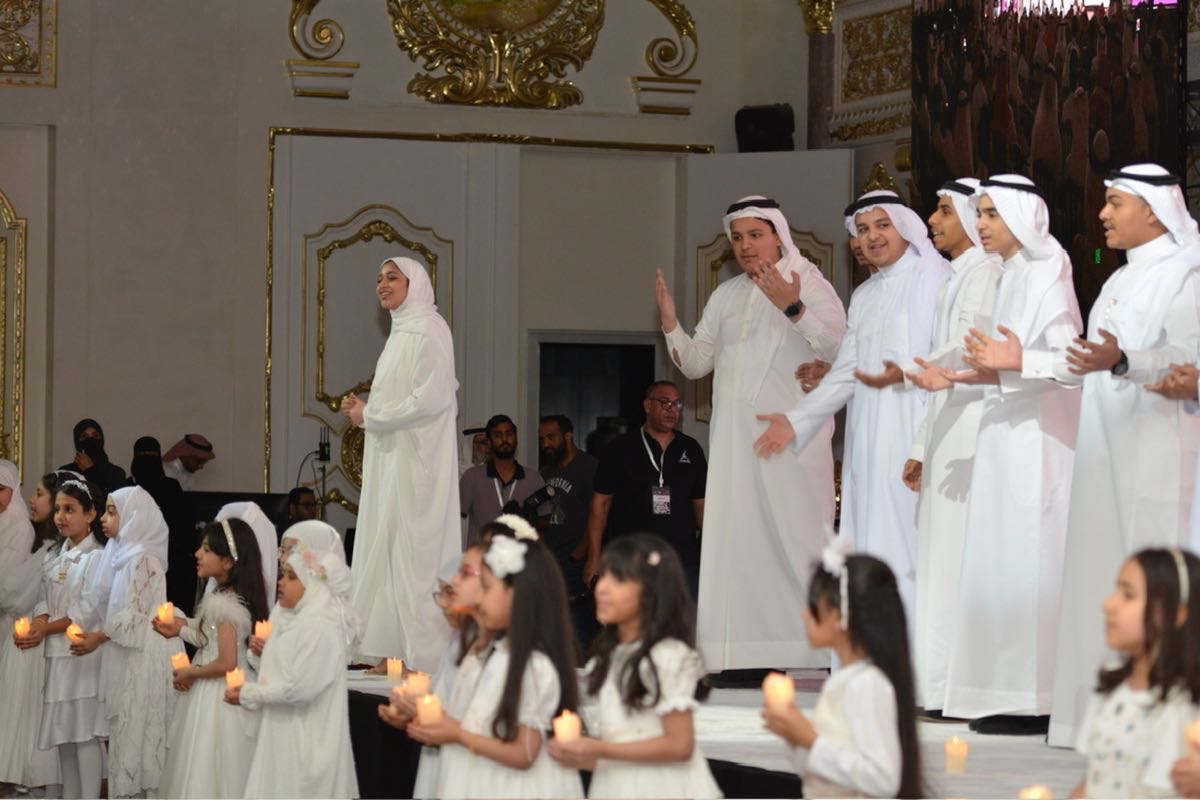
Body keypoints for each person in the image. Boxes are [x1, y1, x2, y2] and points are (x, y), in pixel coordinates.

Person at [658, 195, 847, 676]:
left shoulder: (808, 281)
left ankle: (817, 651)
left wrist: (793, 306)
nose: (745, 245)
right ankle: (741, 654)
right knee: (739, 540)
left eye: (756, 235)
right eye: (738, 237)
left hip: (792, 440)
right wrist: (670, 324)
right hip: (734, 442)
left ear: (778, 236)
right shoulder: (726, 295)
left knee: (799, 538)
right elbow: (695, 364)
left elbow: (841, 349)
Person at [1047, 165, 1200, 746]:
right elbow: (1086, 361)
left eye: (1114, 203)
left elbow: (1185, 358)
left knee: (1150, 577)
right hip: (1104, 446)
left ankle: (1156, 726)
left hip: (1156, 449)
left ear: (1154, 212)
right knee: (1101, 574)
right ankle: (1095, 720)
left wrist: (1125, 362)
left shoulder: (1187, 272)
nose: (1102, 214)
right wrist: (1014, 363)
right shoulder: (1117, 278)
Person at [755, 190, 950, 627]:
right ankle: (874, 650)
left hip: (916, 436)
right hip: (867, 438)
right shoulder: (864, 295)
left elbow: (947, 367)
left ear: (904, 226)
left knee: (911, 544)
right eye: (862, 229)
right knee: (867, 543)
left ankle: (916, 655)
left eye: (882, 225)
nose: (872, 236)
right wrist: (797, 420)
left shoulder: (937, 280)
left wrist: (925, 445)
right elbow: (848, 372)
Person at [941, 175, 1083, 733]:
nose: (980, 225)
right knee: (998, 565)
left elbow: (1073, 366)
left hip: (1039, 444)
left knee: (1031, 566)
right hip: (1002, 435)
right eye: (979, 214)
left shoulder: (1049, 276)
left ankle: (1036, 699)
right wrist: (959, 376)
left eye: (992, 214)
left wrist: (1015, 361)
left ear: (1023, 218)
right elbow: (1005, 365)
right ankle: (1000, 694)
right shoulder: (1010, 276)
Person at [903, 178, 1004, 713]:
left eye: (943, 210)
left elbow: (968, 352)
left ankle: (955, 683)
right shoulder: (958, 275)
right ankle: (936, 682)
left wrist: (908, 366)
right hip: (947, 422)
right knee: (937, 557)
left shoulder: (986, 272)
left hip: (971, 425)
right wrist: (922, 445)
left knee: (955, 556)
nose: (933, 220)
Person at [341, 256, 461, 672]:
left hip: (417, 467)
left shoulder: (429, 328)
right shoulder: (400, 333)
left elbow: (430, 399)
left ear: (416, 284)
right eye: (379, 278)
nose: (382, 284)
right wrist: (364, 409)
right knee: (388, 549)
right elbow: (399, 397)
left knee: (416, 557)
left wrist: (369, 415)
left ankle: (422, 656)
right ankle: (393, 651)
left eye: (393, 277)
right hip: (393, 462)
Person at [406, 523, 583, 799]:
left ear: (517, 596)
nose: (479, 599)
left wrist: (457, 734)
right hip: (478, 775)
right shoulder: (488, 655)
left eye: (487, 589)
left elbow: (525, 753)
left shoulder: (533, 666)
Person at [549, 533, 720, 799]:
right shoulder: (610, 656)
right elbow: (624, 745)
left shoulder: (667, 655)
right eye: (603, 576)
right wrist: (581, 756)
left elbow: (680, 746)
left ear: (651, 592)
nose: (602, 588)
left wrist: (598, 748)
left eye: (618, 580)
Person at [761, 541, 922, 798]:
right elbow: (819, 772)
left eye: (814, 606)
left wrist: (810, 740)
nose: (805, 615)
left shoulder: (867, 685)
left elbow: (883, 778)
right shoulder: (846, 681)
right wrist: (794, 735)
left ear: (838, 617)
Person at [229, 535, 359, 799]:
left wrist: (248, 693)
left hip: (306, 744)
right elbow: (280, 669)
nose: (281, 582)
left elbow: (300, 690)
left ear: (313, 585)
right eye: (283, 575)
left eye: (291, 577)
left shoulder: (320, 628)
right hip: (282, 735)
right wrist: (259, 655)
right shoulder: (293, 619)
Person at [1071, 549, 1200, 798]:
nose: (1108, 604)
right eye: (1116, 591)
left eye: (1128, 595)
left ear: (1174, 614)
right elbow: (1094, 780)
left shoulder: (1180, 707)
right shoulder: (1110, 688)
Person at [154, 519, 269, 799]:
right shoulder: (229, 597)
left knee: (208, 764)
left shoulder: (223, 605)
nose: (197, 554)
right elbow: (211, 638)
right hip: (229, 688)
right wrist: (181, 627)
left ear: (228, 561)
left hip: (217, 693)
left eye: (206, 550)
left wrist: (191, 673)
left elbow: (226, 662)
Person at [81, 486, 182, 798]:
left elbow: (135, 616)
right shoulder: (123, 557)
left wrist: (99, 636)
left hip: (143, 653)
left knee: (140, 728)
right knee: (125, 732)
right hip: (124, 648)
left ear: (135, 517)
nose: (104, 518)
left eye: (112, 512)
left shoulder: (144, 559)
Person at [384, 527, 496, 799]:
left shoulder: (497, 648)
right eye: (441, 593)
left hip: (477, 765)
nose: (443, 603)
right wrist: (410, 713)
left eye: (451, 592)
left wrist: (429, 716)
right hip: (444, 757)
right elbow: (442, 697)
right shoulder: (459, 642)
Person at [19, 479, 107, 800]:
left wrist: (46, 629)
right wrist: (38, 623)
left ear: (90, 514)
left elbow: (86, 610)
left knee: (83, 734)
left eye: (70, 510)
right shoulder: (54, 556)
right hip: (56, 655)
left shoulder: (96, 558)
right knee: (64, 736)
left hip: (82, 656)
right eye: (57, 509)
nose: (61, 516)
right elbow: (43, 599)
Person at [584, 382, 707, 600]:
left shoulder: (691, 448)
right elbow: (600, 505)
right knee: (636, 621)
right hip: (632, 561)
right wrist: (594, 558)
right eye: (665, 402)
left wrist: (711, 555)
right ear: (647, 406)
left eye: (677, 404)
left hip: (681, 561)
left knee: (681, 621)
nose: (672, 410)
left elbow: (701, 506)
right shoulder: (620, 448)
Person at [0, 466, 61, 792]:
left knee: (26, 708)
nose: (31, 500)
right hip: (28, 627)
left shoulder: (46, 546)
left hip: (34, 631)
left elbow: (14, 590)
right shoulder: (46, 544)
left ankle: (26, 773)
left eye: (39, 494)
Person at [538, 413, 598, 651]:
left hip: (577, 564)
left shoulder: (589, 467)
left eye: (551, 437)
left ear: (568, 436)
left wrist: (578, 555)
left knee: (581, 632)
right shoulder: (545, 473)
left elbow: (597, 515)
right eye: (542, 439)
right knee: (555, 631)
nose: (545, 444)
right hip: (551, 562)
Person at [129, 436, 194, 614]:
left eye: (151, 455)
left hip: (169, 563)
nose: (147, 461)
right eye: (143, 455)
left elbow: (183, 528)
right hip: (133, 563)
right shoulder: (127, 488)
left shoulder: (171, 487)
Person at [460, 414, 546, 547]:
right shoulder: (472, 477)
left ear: (516, 439)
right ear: (489, 442)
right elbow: (455, 520)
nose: (504, 439)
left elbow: (545, 525)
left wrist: (528, 518)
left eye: (509, 434)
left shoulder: (534, 478)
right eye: (498, 435)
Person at [59, 419, 127, 494]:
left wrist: (90, 471)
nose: (91, 440)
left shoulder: (116, 473)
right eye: (84, 436)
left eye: (95, 436)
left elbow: (107, 498)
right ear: (77, 442)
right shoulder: (66, 473)